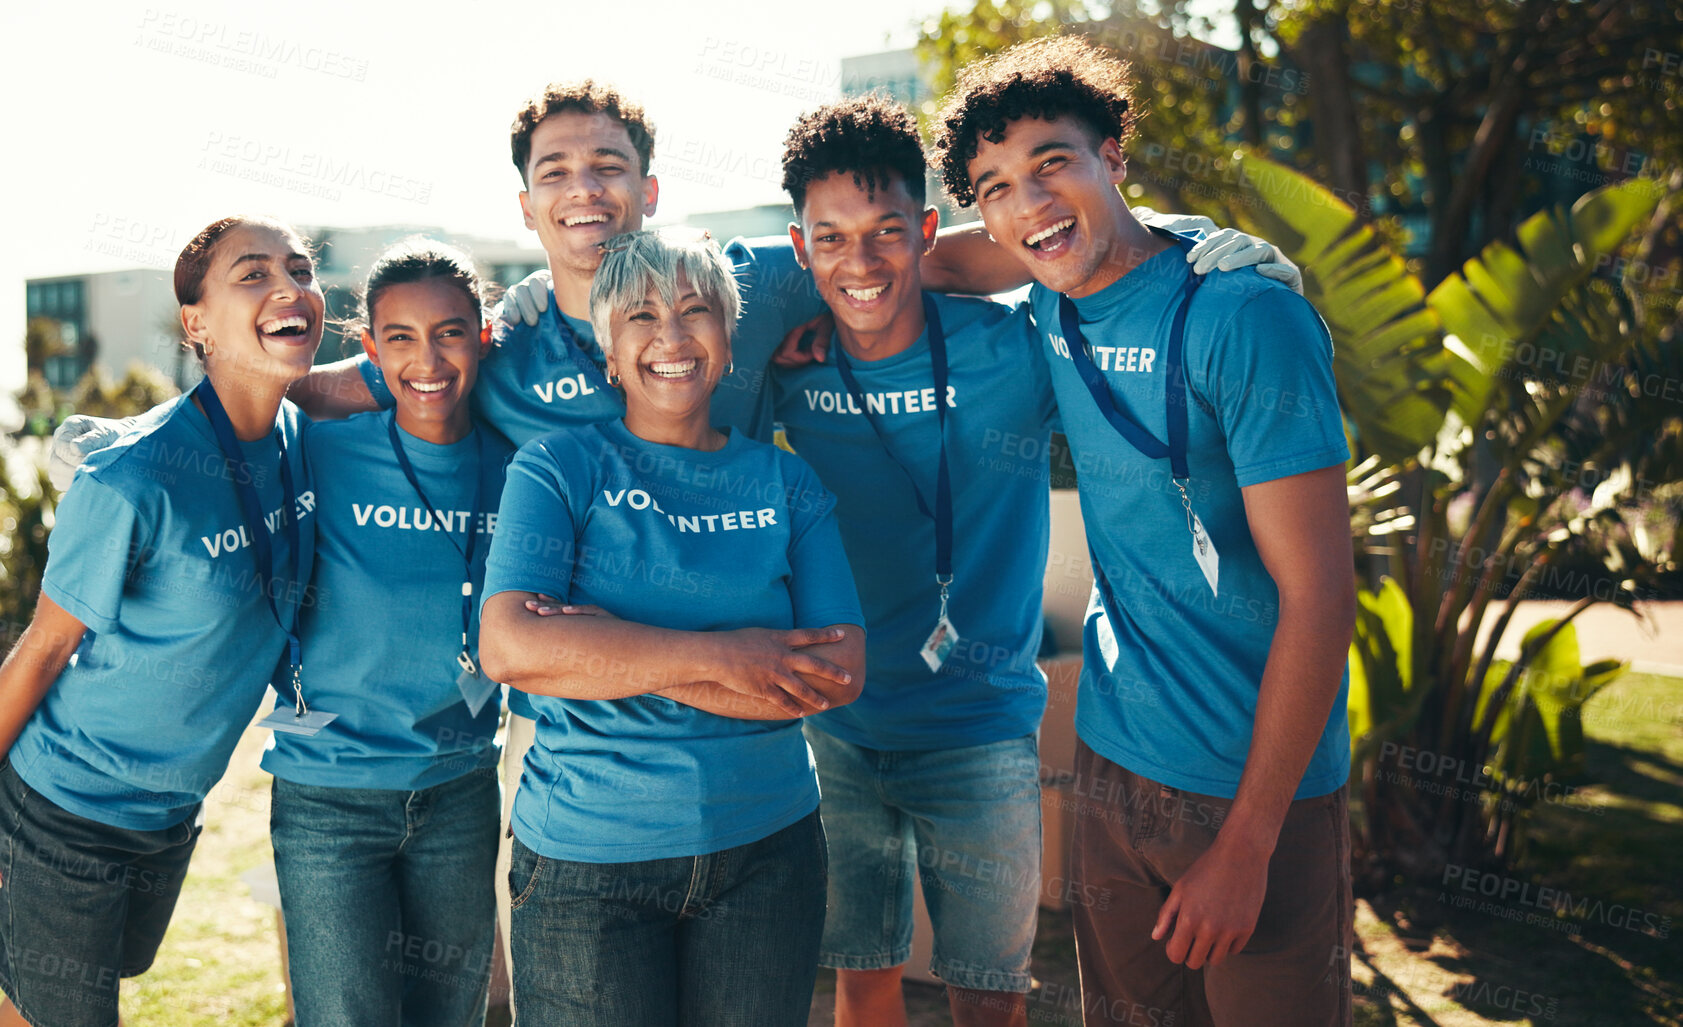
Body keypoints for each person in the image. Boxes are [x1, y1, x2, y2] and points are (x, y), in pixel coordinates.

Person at [936, 34, 1357, 1026]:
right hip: (1116, 765)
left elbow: (1323, 594)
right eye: (994, 186)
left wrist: (1248, 845)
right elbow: (906, 258)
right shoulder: (1046, 292)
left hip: (1261, 787)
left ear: (1113, 155)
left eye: (1053, 163)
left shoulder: (1245, 316)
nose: (1028, 202)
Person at [477, 227, 866, 1026]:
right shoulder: (557, 469)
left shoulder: (783, 479)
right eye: (641, 318)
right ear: (608, 351)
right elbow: (510, 646)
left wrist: (600, 650)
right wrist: (727, 656)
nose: (671, 337)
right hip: (586, 862)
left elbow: (834, 675)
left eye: (696, 312)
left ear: (727, 340)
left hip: (768, 851)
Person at [0, 215, 322, 1027]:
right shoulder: (132, 475)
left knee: (37, 1001)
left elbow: (396, 375)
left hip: (165, 813)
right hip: (65, 808)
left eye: (300, 269)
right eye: (253, 274)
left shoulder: (302, 435)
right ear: (195, 323)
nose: (289, 287)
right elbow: (48, 644)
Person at [765, 95, 1062, 1027]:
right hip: (838, 726)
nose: (860, 263)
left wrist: (1196, 236)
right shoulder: (784, 365)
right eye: (832, 239)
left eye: (887, 232)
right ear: (800, 244)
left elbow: (1081, 241)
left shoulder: (1010, 351)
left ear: (927, 230)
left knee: (989, 993)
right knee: (863, 976)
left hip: (980, 725)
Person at [262, 240, 511, 1026]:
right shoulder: (319, 453)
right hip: (328, 791)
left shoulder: (522, 469)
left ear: (483, 336)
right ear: (368, 349)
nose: (426, 359)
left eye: (449, 332)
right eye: (398, 337)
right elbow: (234, 401)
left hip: (460, 785)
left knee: (452, 1015)